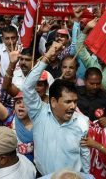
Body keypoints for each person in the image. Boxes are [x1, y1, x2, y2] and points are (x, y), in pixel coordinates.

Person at [22, 41, 90, 175]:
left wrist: (86, 176)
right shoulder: (39, 114)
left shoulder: (82, 123)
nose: (73, 106)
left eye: (75, 101)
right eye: (68, 102)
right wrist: (46, 57)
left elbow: (85, 155)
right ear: (53, 102)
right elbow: (27, 87)